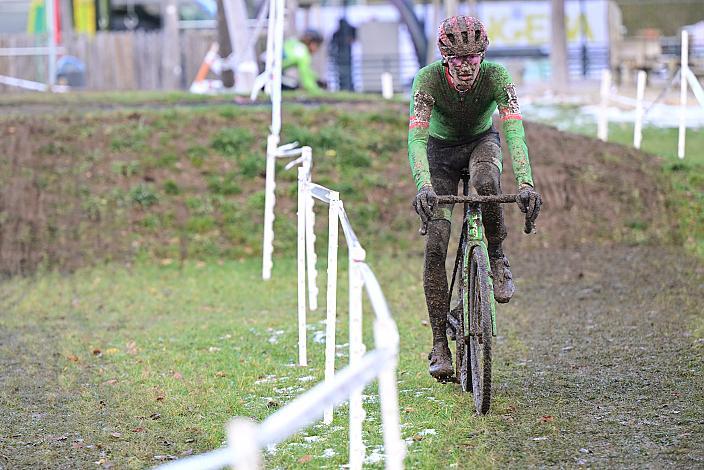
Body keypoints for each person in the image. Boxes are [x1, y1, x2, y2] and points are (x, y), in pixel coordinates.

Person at [408, 16, 542, 381]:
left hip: (482, 143)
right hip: (439, 155)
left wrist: (526, 181)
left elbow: (513, 128)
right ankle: (439, 344)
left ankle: (496, 256)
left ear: (484, 55)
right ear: (444, 59)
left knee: (486, 183)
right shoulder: (427, 80)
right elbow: (417, 140)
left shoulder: (497, 76)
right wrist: (424, 185)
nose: (466, 68)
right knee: (435, 245)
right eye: (457, 61)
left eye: (473, 59)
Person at [282, 29, 325, 93]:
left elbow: (307, 70)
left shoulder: (294, 43)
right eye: (317, 45)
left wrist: (316, 79)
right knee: (295, 86)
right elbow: (305, 77)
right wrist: (317, 91)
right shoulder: (303, 52)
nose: (317, 49)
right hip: (272, 74)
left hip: (267, 68)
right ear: (312, 43)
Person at [329, 18, 357, 91]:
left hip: (348, 57)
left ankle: (349, 88)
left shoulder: (351, 30)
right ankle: (343, 88)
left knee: (348, 74)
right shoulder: (337, 34)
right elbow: (332, 45)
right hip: (340, 57)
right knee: (341, 74)